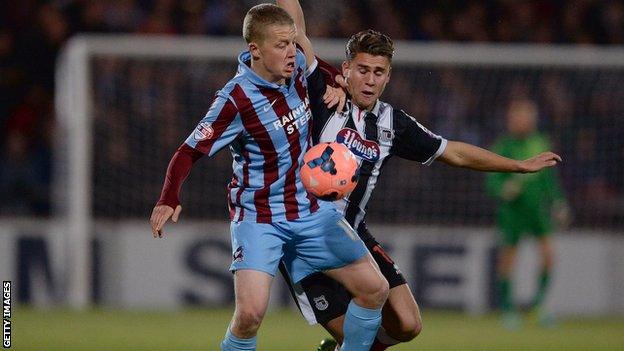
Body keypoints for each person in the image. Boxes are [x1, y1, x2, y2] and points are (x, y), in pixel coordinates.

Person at [275, 2, 563, 350]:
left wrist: (517, 165)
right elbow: (296, 31)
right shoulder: (322, 93)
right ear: (346, 69)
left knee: (409, 325)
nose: (369, 80)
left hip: (353, 233)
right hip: (304, 234)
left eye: (378, 72)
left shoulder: (392, 123)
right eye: (362, 70)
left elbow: (452, 151)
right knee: (357, 340)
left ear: (388, 76)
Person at [149, 4, 390, 351]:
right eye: (281, 45)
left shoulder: (297, 73)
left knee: (375, 289)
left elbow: (316, 60)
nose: (291, 52)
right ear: (255, 50)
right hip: (260, 220)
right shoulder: (234, 99)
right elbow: (188, 151)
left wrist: (335, 79)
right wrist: (169, 196)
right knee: (249, 315)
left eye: (292, 43)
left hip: (311, 211)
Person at [486, 99, 570, 329]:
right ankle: (507, 310)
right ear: (510, 120)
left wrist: (559, 202)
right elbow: (491, 179)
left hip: (538, 211)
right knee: (508, 260)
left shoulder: (541, 143)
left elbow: (550, 180)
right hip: (513, 212)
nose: (521, 121)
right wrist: (503, 189)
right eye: (517, 117)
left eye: (526, 117)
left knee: (549, 255)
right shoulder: (503, 146)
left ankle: (537, 307)